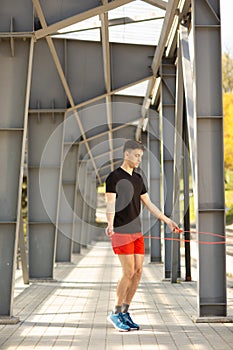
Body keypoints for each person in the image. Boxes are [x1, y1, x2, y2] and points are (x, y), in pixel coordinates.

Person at [105, 139, 180, 332]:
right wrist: (110, 224)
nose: (139, 159)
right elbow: (110, 203)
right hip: (121, 230)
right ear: (126, 154)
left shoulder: (138, 179)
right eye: (136, 155)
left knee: (138, 273)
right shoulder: (113, 177)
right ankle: (115, 312)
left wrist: (168, 221)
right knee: (128, 273)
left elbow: (149, 204)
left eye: (141, 156)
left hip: (137, 232)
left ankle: (124, 311)